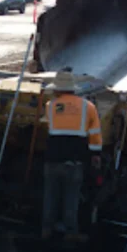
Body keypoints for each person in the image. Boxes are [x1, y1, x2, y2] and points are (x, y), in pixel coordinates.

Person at [41, 68, 102, 243]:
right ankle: (70, 232)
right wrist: (95, 154)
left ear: (57, 89)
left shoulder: (50, 106)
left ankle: (46, 230)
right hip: (75, 160)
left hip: (52, 159)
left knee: (50, 196)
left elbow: (49, 125)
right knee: (71, 198)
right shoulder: (88, 107)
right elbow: (95, 133)